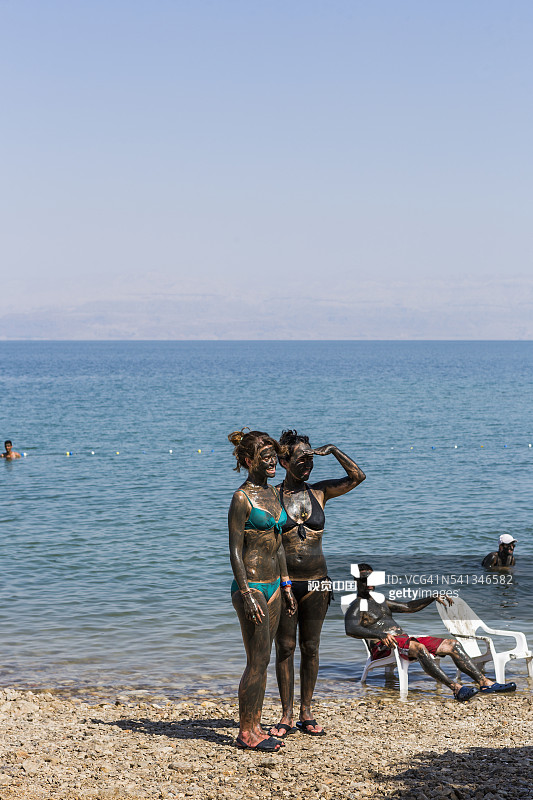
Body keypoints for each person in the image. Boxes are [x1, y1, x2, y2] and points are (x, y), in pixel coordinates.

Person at [269, 431, 365, 739]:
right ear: (283, 461)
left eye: (310, 458)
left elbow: (357, 476)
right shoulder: (272, 496)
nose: (307, 465)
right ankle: (285, 714)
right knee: (284, 648)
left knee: (311, 648)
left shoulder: (320, 492)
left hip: (317, 583)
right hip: (284, 583)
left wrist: (334, 449)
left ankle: (306, 712)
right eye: (300, 459)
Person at [345, 564, 516, 700]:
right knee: (420, 649)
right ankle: (456, 689)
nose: (371, 583)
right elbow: (351, 629)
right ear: (357, 581)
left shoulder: (381, 601)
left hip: (404, 641)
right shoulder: (357, 606)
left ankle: (485, 683)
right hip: (384, 647)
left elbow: (409, 607)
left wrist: (432, 597)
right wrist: (381, 635)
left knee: (453, 645)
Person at [228, 428, 297, 752]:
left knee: (265, 658)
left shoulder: (273, 493)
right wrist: (245, 592)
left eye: (274, 456)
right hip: (252, 586)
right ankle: (245, 732)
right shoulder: (242, 499)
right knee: (256, 661)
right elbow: (234, 551)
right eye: (265, 457)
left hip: (274, 585)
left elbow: (279, 544)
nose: (272, 462)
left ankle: (255, 725)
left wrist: (286, 586)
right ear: (247, 459)